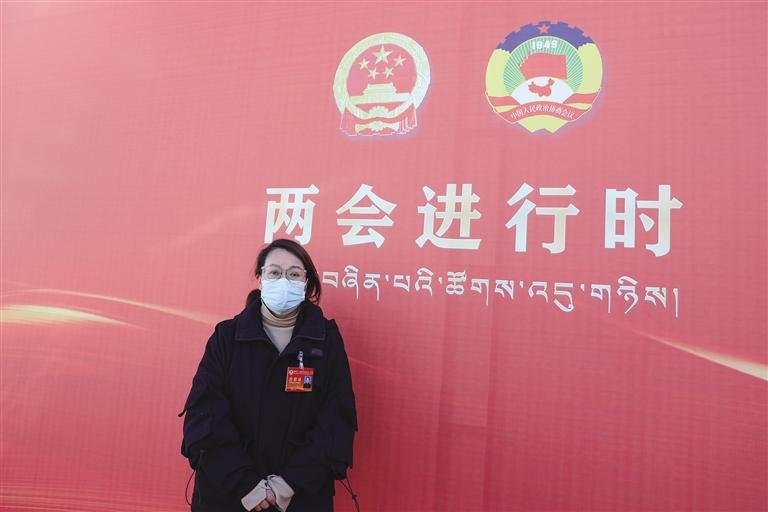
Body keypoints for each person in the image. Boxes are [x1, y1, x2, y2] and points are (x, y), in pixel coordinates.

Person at [180, 239, 357, 511]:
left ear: (306, 283)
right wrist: (246, 486)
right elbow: (206, 417)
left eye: (294, 274)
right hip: (228, 495)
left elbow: (335, 422)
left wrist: (286, 485)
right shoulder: (227, 337)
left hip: (300, 497)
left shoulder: (326, 340)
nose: (284, 281)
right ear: (260, 278)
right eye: (274, 272)